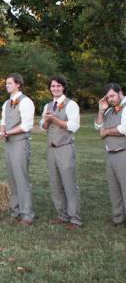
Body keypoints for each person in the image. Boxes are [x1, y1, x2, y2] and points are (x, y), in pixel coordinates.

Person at [40, 76, 81, 229]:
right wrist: (46, 121)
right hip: (51, 149)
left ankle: (75, 219)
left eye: (58, 86)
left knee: (69, 184)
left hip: (65, 148)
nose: (55, 88)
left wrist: (55, 119)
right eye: (52, 86)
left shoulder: (71, 104)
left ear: (63, 87)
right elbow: (43, 127)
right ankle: (62, 215)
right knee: (55, 183)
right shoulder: (48, 105)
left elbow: (73, 126)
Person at [0, 73, 35, 225]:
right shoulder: (6, 104)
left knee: (22, 179)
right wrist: (2, 131)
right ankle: (15, 210)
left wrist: (7, 132)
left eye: (10, 83)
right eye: (6, 83)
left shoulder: (26, 102)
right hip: (9, 143)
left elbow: (26, 125)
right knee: (12, 179)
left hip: (20, 143)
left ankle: (27, 215)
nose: (7, 85)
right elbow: (3, 121)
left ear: (18, 84)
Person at [95, 83, 126, 226]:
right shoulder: (109, 110)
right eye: (108, 97)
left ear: (121, 93)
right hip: (110, 154)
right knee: (114, 188)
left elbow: (124, 129)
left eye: (112, 95)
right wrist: (101, 111)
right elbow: (98, 127)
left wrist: (106, 132)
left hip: (123, 153)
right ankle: (118, 218)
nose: (111, 99)